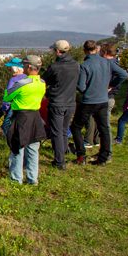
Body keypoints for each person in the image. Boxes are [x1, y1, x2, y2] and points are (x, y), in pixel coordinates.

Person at [70, 40, 128, 165]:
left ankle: (81, 155)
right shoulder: (107, 63)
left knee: (76, 127)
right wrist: (111, 85)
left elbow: (81, 87)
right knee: (104, 129)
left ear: (84, 50)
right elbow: (123, 74)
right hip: (103, 100)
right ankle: (104, 156)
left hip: (88, 101)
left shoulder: (85, 65)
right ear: (96, 49)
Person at [3, 55, 47, 185]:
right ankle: (33, 178)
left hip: (21, 117)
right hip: (35, 117)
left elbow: (7, 96)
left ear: (28, 67)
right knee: (33, 149)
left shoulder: (22, 83)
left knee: (17, 148)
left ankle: (16, 179)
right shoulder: (42, 83)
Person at [41, 39, 79, 169]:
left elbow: (44, 80)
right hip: (71, 102)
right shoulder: (76, 65)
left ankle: (59, 162)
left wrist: (50, 91)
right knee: (63, 130)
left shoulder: (55, 67)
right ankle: (63, 153)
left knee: (56, 132)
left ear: (57, 51)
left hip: (57, 102)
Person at [85, 43, 122, 147]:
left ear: (105, 53)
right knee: (102, 122)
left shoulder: (107, 64)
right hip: (109, 96)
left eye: (100, 52)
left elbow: (123, 75)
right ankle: (97, 141)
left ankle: (102, 148)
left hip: (104, 96)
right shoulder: (114, 63)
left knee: (101, 123)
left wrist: (110, 85)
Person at [0, 57, 27, 137]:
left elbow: (8, 96)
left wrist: (4, 108)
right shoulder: (27, 78)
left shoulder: (13, 80)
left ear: (15, 69)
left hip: (13, 107)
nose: (10, 69)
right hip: (26, 107)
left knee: (6, 126)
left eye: (11, 67)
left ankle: (12, 146)